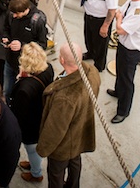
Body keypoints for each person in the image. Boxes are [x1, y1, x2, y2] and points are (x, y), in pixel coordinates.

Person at [37, 43, 100, 188]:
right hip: (81, 132)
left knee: (56, 175)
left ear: (62, 61)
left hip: (64, 145)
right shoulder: (93, 72)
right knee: (75, 162)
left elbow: (55, 129)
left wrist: (43, 149)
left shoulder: (64, 98)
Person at [107, 0, 140, 124]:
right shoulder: (131, 2)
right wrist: (120, 15)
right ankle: (118, 91)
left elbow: (120, 30)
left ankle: (123, 111)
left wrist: (119, 18)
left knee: (127, 80)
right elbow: (121, 11)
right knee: (120, 71)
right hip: (123, 46)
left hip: (131, 51)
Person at [9, 43, 54, 183]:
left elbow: (19, 114)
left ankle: (36, 173)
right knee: (34, 149)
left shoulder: (24, 88)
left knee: (32, 149)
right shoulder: (48, 69)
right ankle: (33, 164)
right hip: (41, 116)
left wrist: (20, 79)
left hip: (30, 127)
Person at [69, 0, 119, 72]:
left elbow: (112, 9)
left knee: (100, 44)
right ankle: (91, 53)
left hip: (100, 19)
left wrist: (105, 26)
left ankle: (99, 65)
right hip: (89, 14)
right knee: (89, 37)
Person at [1, 0, 48, 100]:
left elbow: (42, 46)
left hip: (26, 66)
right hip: (10, 60)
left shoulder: (37, 21)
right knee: (7, 92)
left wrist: (22, 46)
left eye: (16, 14)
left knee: (22, 95)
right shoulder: (12, 12)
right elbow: (6, 28)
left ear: (25, 9)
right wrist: (6, 37)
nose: (13, 16)